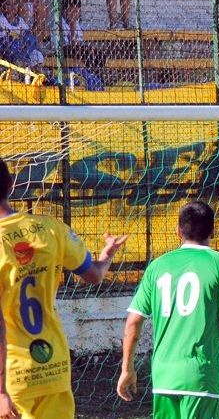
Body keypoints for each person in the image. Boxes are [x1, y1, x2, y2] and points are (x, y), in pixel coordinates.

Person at [0, 157, 127, 419]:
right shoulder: (51, 228)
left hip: (13, 375)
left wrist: (1, 391)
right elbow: (93, 275)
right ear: (11, 185)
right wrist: (107, 255)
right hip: (54, 365)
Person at [116, 201, 219, 419]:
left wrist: (127, 368)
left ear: (178, 231)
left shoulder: (157, 266)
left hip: (164, 377)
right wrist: (206, 328)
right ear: (213, 231)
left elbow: (133, 321)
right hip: (201, 375)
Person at [0, 0, 43, 68]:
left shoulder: (20, 20)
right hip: (9, 49)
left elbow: (27, 35)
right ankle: (20, 64)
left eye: (15, 4)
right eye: (9, 4)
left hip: (22, 48)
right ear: (2, 7)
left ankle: (36, 74)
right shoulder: (1, 21)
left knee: (37, 54)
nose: (13, 7)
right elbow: (4, 39)